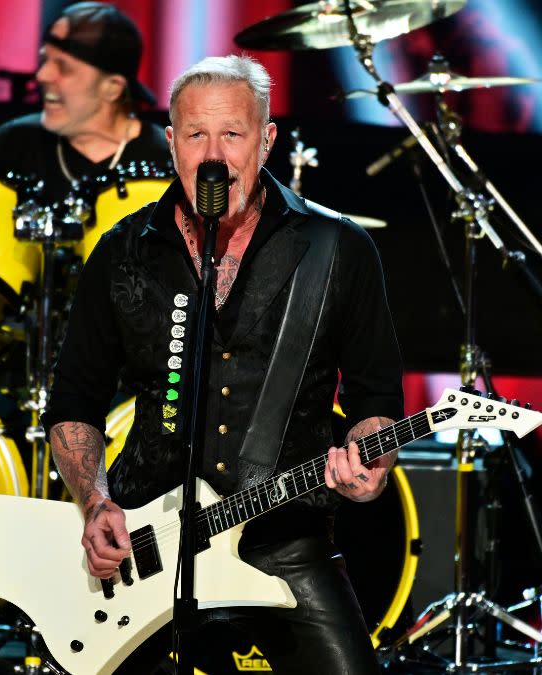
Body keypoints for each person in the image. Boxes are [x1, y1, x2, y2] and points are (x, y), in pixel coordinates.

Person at [41, 54, 404, 673]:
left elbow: (376, 400)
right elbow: (75, 400)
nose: (213, 156)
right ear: (170, 142)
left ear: (266, 139)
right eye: (195, 135)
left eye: (232, 134)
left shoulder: (337, 248)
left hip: (285, 538)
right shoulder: (123, 251)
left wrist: (370, 461)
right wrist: (95, 502)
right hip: (146, 543)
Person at [0, 1, 170, 207]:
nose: (42, 75)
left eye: (64, 67)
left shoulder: (167, 164)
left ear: (112, 88)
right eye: (45, 60)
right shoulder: (12, 144)